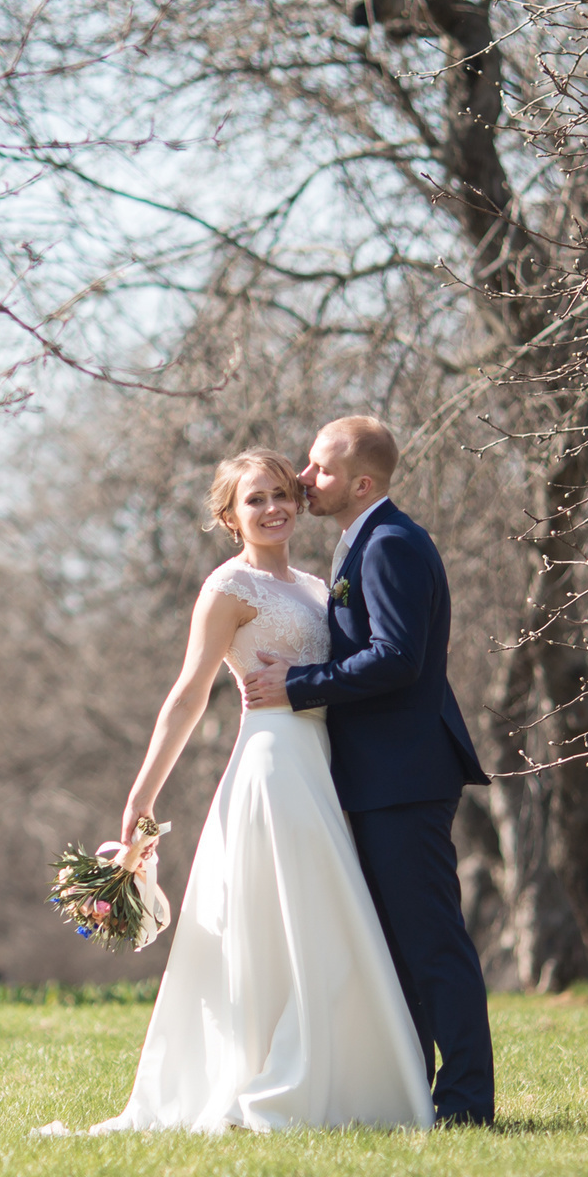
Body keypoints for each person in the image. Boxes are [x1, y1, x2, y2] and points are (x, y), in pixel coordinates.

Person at [77, 447, 433, 1133]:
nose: (272, 508)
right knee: (293, 920)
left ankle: (336, 1079)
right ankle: (273, 1082)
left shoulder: (314, 584)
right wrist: (140, 798)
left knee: (325, 921)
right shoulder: (227, 590)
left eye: (280, 494)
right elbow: (187, 696)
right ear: (229, 516)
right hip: (273, 765)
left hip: (326, 760)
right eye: (254, 499)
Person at [241, 414, 495, 1125]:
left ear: (360, 482)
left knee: (433, 945)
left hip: (405, 776)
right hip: (376, 776)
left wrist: (301, 683)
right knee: (397, 951)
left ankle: (468, 1103)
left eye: (318, 468)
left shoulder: (390, 544)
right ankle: (413, 1093)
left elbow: (397, 657)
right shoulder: (363, 544)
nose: (302, 477)